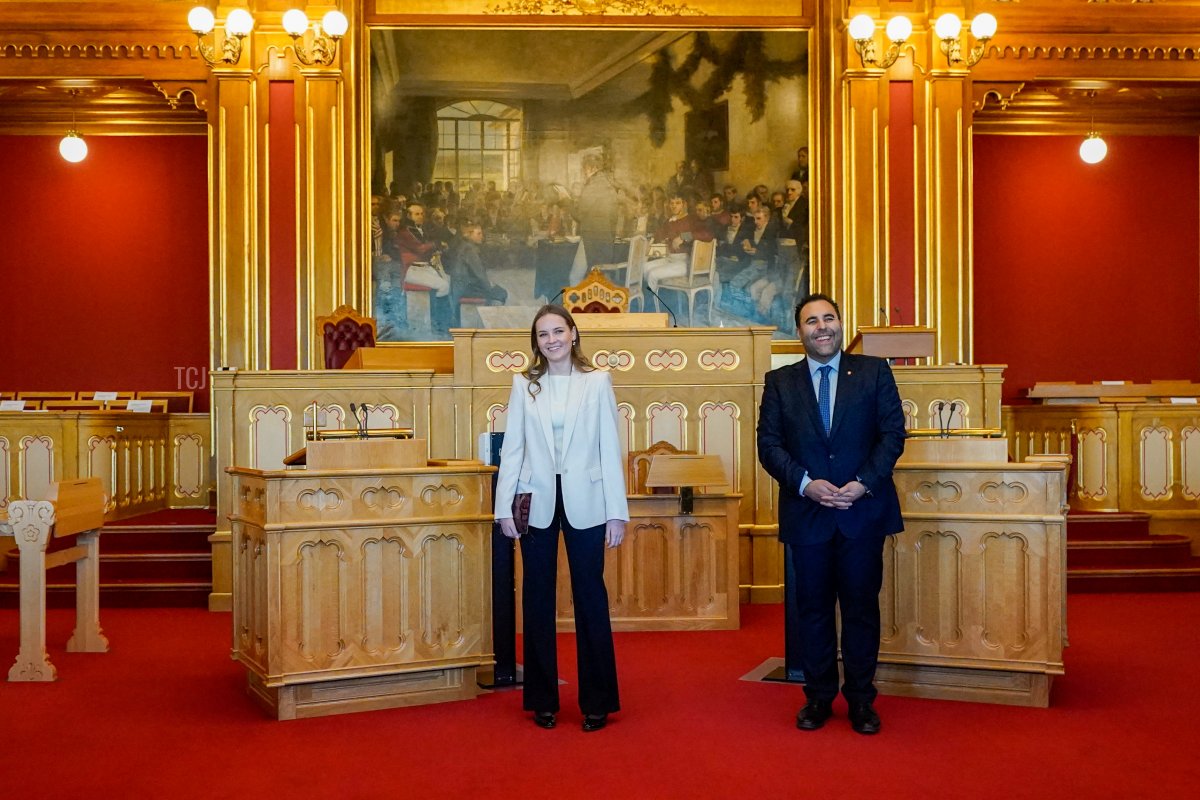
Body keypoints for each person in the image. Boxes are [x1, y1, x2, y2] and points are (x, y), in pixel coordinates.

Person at [756, 293, 906, 736]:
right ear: (798, 331)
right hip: (809, 515)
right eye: (811, 321)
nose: (822, 327)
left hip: (863, 511)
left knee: (861, 610)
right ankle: (819, 698)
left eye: (829, 318)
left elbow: (893, 435)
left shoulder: (875, 373)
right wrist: (805, 483)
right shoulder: (780, 382)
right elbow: (769, 446)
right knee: (814, 612)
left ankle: (861, 700)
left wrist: (863, 483)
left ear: (840, 324)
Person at [493, 305, 629, 733]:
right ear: (535, 342)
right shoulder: (524, 385)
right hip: (536, 502)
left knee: (590, 597)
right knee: (536, 600)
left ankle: (597, 702)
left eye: (557, 331)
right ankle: (542, 699)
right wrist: (503, 508)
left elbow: (610, 447)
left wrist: (616, 512)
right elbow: (512, 449)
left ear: (573, 333)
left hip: (588, 500)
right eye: (542, 334)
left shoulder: (597, 381)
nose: (551, 339)